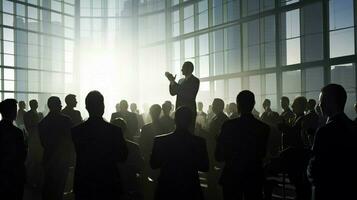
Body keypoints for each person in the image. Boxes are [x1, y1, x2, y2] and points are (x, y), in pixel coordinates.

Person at [71, 91, 128, 200]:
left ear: (87, 107)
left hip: (84, 182)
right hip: (108, 182)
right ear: (103, 106)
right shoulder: (115, 131)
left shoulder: (76, 131)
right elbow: (123, 157)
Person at [215, 90, 269, 200]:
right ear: (253, 104)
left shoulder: (228, 126)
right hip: (253, 175)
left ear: (238, 105)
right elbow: (262, 153)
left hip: (232, 175)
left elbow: (219, 156)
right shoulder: (263, 128)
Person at [307, 84, 357, 200]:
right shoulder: (353, 126)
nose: (319, 105)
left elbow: (315, 169)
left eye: (321, 101)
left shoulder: (325, 131)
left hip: (327, 192)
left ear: (330, 102)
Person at [150, 106, 209, 200]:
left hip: (166, 188)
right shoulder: (199, 142)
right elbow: (205, 167)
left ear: (175, 120)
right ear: (190, 122)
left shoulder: (160, 140)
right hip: (190, 188)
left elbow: (154, 165)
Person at [38, 96, 74, 200]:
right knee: (60, 187)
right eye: (59, 103)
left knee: (49, 186)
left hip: (48, 158)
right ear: (56, 105)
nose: (61, 105)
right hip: (62, 160)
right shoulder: (66, 120)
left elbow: (44, 143)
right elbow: (70, 141)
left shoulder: (42, 123)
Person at [278, 96, 311, 200]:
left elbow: (298, 138)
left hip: (298, 157)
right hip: (296, 156)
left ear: (301, 106)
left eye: (295, 104)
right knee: (298, 185)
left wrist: (286, 129)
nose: (292, 106)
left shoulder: (303, 120)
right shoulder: (297, 118)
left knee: (299, 184)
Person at [0, 99, 27, 200]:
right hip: (15, 173)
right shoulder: (16, 132)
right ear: (11, 112)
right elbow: (22, 154)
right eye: (14, 110)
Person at [112, 117, 144, 200]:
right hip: (131, 186)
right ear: (125, 130)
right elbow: (140, 167)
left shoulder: (105, 148)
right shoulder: (134, 147)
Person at [166, 61, 200, 132]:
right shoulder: (180, 81)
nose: (181, 70)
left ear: (189, 69)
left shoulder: (195, 81)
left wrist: (173, 81)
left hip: (189, 112)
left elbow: (186, 93)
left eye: (183, 68)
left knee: (189, 133)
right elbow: (173, 92)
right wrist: (172, 82)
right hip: (179, 111)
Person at [207, 98, 229, 200]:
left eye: (214, 105)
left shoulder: (221, 119)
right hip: (215, 151)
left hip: (217, 152)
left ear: (219, 106)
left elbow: (216, 136)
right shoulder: (217, 117)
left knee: (215, 179)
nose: (212, 107)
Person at [139, 104, 165, 182]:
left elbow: (141, 145)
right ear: (160, 113)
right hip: (160, 160)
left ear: (150, 113)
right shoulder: (164, 128)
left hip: (148, 159)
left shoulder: (145, 128)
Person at [23, 99, 44, 188]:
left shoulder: (27, 114)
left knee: (33, 160)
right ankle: (35, 179)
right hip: (36, 139)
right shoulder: (38, 115)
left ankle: (31, 178)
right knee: (36, 160)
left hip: (33, 138)